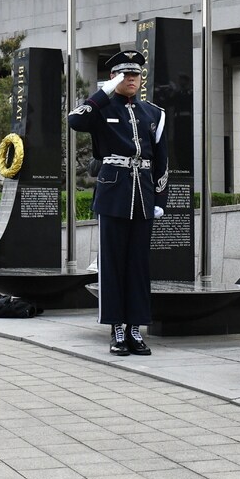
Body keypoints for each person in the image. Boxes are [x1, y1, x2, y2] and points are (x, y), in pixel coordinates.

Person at [67, 49, 169, 357]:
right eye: (124, 75)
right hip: (114, 193)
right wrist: (103, 92)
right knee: (112, 265)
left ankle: (136, 326)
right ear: (113, 78)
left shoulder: (154, 113)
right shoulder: (101, 108)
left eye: (135, 75)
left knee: (138, 265)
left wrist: (159, 199)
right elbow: (74, 120)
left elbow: (162, 160)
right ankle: (117, 328)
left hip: (144, 194)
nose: (131, 80)